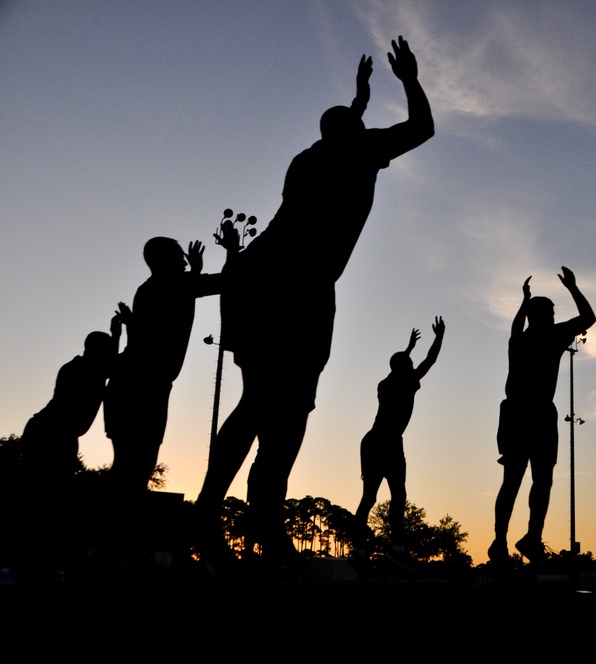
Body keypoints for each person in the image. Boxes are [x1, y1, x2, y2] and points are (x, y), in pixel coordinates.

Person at [194, 37, 435, 559]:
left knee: (258, 402)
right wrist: (409, 80)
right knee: (290, 410)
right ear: (354, 133)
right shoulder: (360, 149)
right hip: (299, 287)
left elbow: (341, 127)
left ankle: (215, 512)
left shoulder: (307, 158)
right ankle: (259, 518)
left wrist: (358, 101)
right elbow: (422, 129)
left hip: (259, 277)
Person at [104, 236, 233, 499]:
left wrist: (195, 273)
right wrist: (232, 250)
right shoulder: (178, 283)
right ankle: (116, 530)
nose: (183, 258)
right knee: (140, 464)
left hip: (126, 382)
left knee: (125, 464)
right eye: (178, 254)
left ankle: (106, 530)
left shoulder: (146, 289)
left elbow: (140, 337)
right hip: (148, 384)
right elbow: (227, 282)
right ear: (164, 260)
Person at [489, 267, 596, 564]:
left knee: (516, 480)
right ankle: (527, 537)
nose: (552, 316)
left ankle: (507, 539)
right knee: (539, 480)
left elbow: (515, 327)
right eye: (549, 312)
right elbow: (589, 318)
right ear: (543, 317)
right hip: (532, 412)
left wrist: (524, 301)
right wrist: (573, 288)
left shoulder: (519, 340)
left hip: (517, 412)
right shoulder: (552, 335)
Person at [353, 317, 445, 558]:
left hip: (376, 442)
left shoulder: (386, 382)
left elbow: (399, 364)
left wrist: (407, 350)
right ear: (404, 368)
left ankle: (365, 547)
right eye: (410, 363)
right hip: (386, 442)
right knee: (394, 496)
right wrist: (439, 337)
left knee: (373, 497)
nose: (413, 365)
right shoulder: (407, 382)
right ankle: (393, 546)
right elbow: (430, 360)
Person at [20, 310, 124, 480]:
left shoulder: (82, 367)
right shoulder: (84, 370)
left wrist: (115, 335)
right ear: (97, 351)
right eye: (105, 351)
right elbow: (111, 366)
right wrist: (116, 336)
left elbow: (109, 366)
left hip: (53, 432)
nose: (109, 354)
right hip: (50, 433)